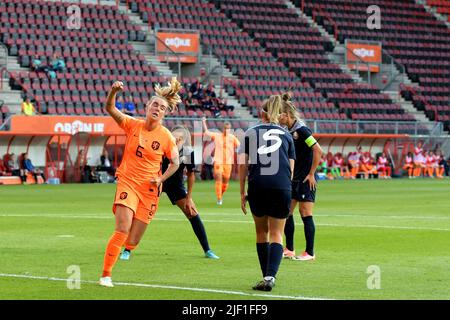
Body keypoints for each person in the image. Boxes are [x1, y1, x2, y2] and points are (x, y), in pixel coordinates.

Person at [99, 78, 181, 288]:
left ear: (165, 113)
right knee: (122, 228)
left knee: (132, 241)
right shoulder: (132, 124)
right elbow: (109, 107)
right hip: (128, 182)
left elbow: (175, 162)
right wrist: (113, 91)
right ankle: (106, 275)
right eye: (155, 104)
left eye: (162, 107)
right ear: (147, 106)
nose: (157, 108)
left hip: (150, 190)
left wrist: (160, 178)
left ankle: (127, 249)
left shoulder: (166, 137)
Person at [119, 125, 219, 261]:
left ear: (185, 140)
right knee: (139, 215)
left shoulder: (188, 152)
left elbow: (191, 175)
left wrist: (189, 198)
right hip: (156, 182)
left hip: (176, 186)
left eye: (181, 138)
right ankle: (127, 250)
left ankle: (208, 250)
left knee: (193, 213)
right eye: (175, 136)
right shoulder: (162, 147)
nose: (177, 139)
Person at [239, 94, 296, 291]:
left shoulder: (250, 133)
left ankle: (266, 276)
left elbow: (242, 166)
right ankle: (270, 276)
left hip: (258, 185)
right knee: (277, 234)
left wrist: (242, 192)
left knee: (261, 232)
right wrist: (284, 190)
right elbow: (291, 169)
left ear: (260, 113)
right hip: (282, 187)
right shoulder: (287, 135)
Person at [278, 93, 323, 261]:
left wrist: (311, 173)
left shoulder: (302, 130)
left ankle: (309, 252)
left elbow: (318, 150)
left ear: (287, 115)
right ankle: (289, 249)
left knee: (305, 213)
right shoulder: (289, 131)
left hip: (306, 178)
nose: (278, 118)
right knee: (287, 212)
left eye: (279, 115)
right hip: (294, 178)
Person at [202, 118, 240, 205]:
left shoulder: (232, 138)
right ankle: (219, 199)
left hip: (228, 163)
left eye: (228, 129)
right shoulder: (217, 135)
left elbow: (240, 147)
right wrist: (204, 122)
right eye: (225, 128)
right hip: (218, 161)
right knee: (218, 178)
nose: (227, 130)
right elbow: (207, 132)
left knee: (225, 182)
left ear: (230, 129)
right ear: (223, 129)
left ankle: (220, 195)